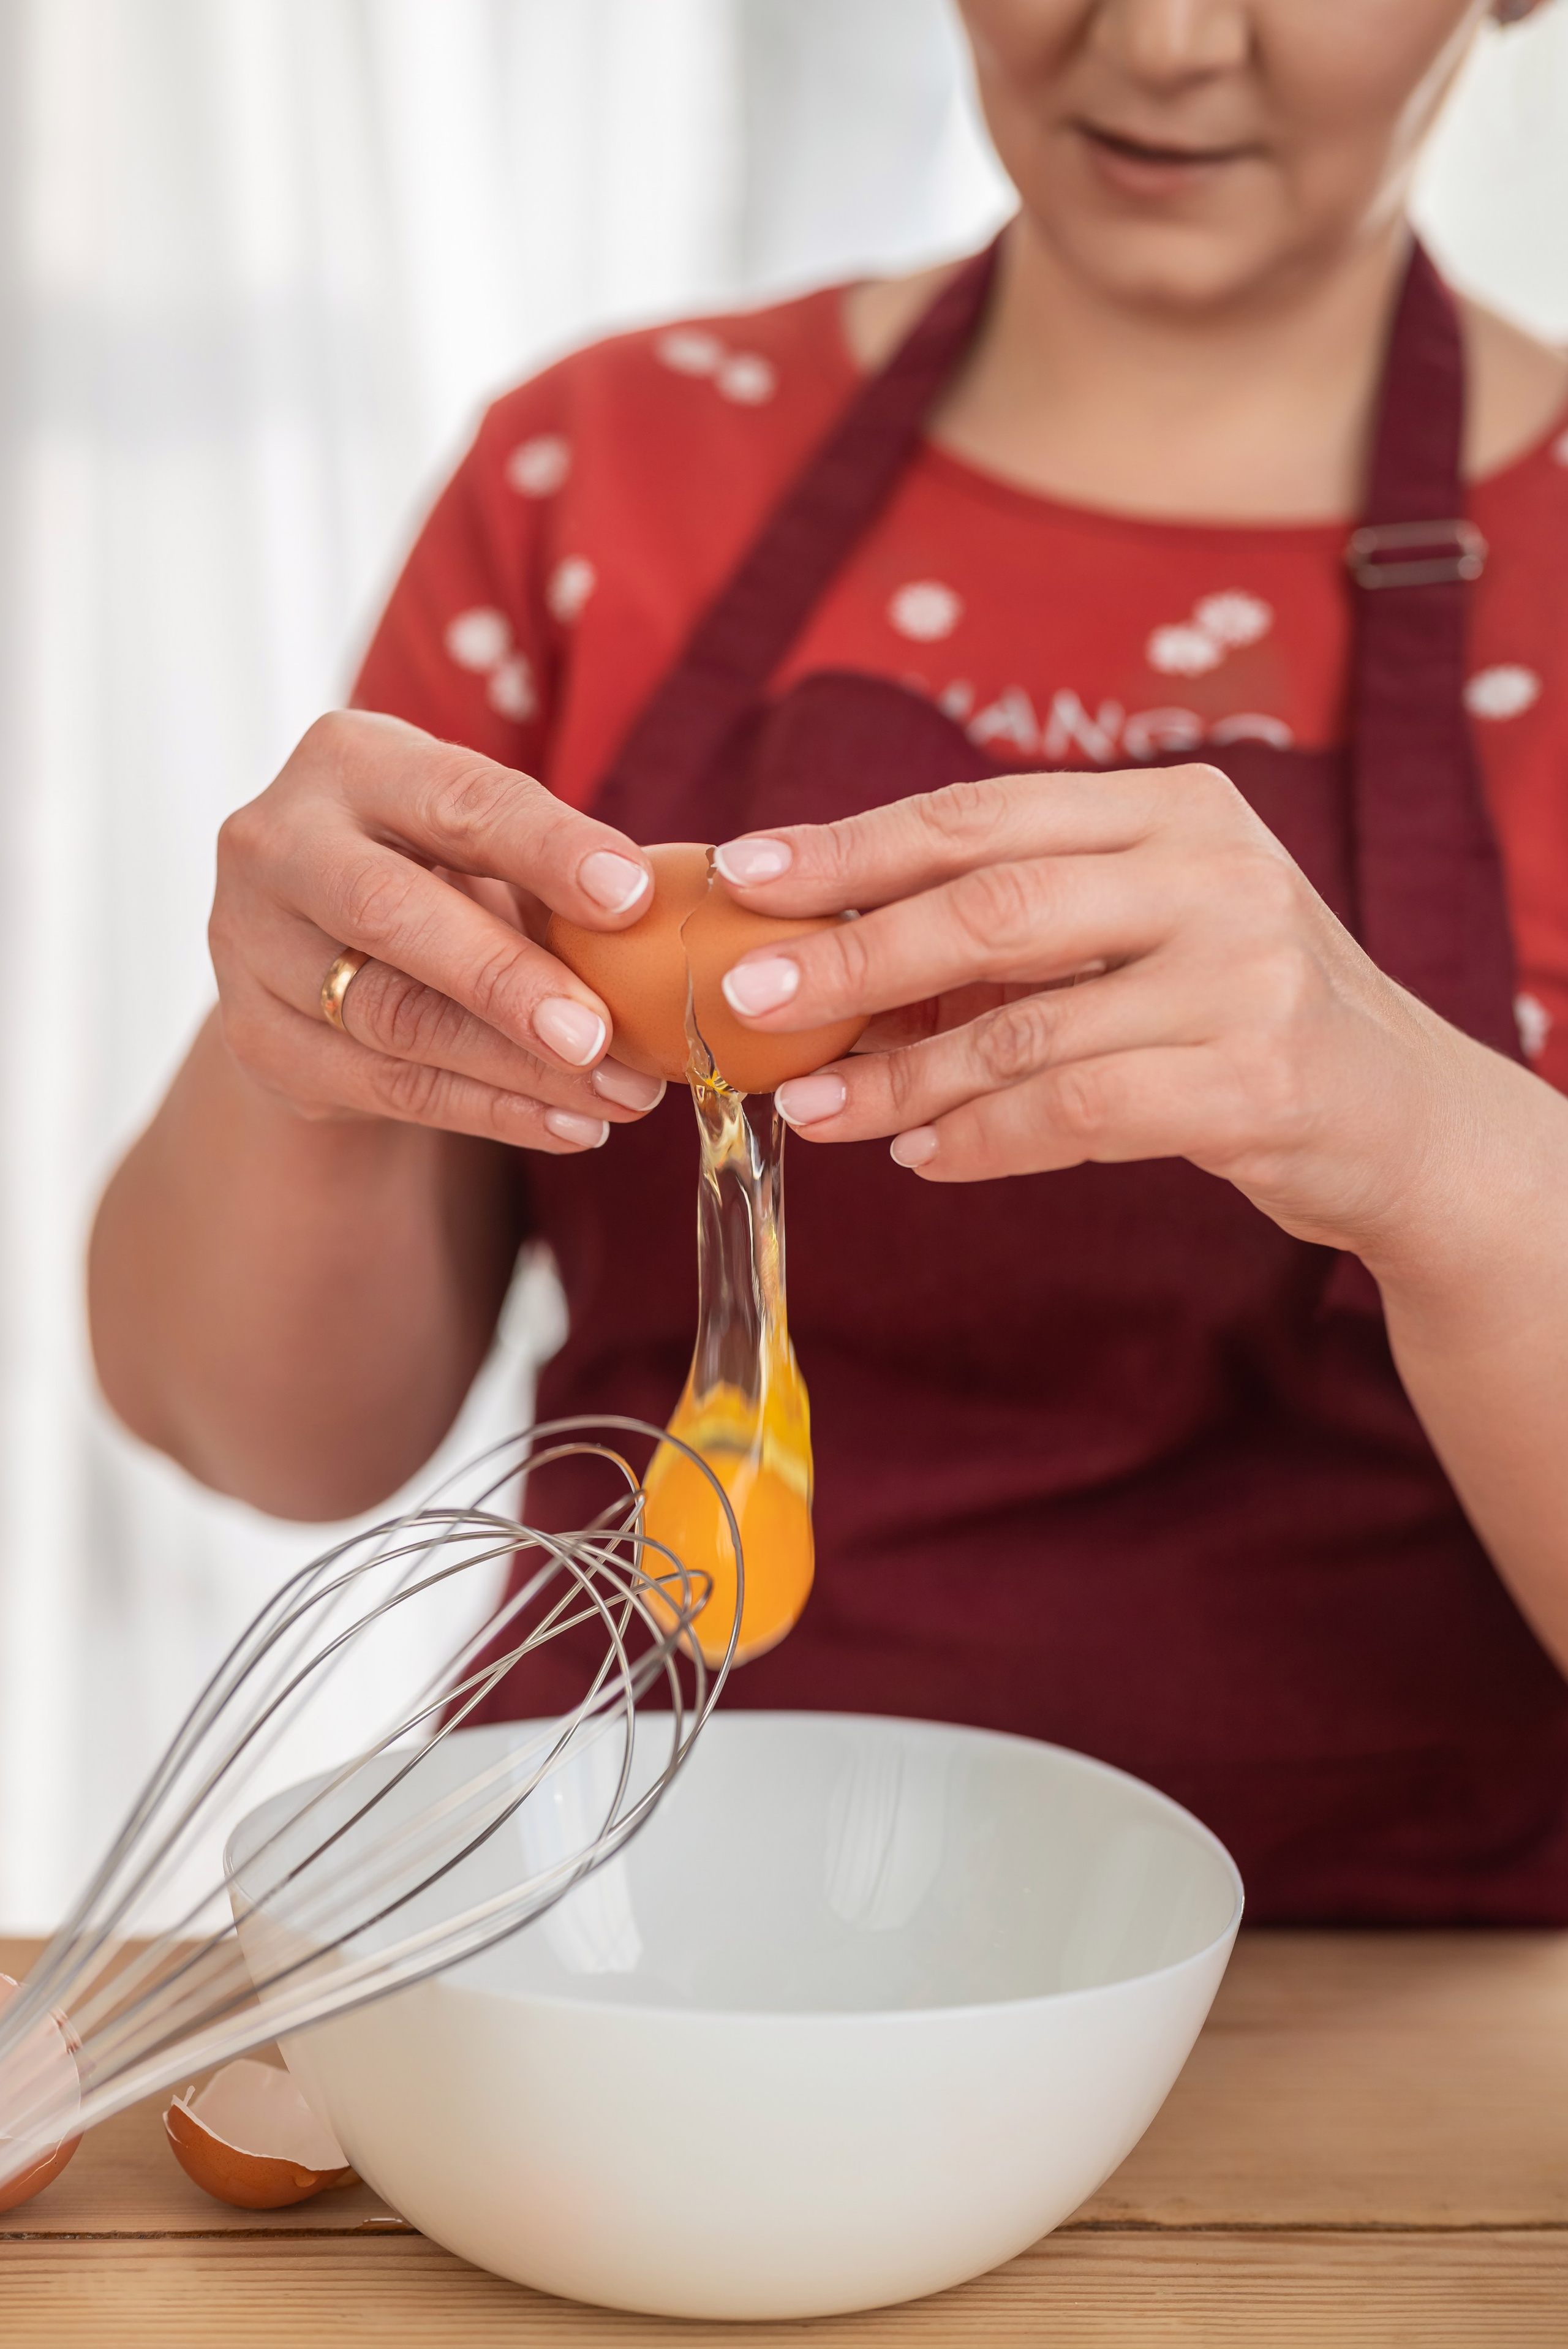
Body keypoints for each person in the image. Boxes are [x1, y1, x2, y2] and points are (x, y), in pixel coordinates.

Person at [89, 0, 1568, 1921]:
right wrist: (305, 1034)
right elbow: (256, 1428)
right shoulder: (596, 480)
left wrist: (1430, 1146)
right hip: (609, 1940)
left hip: (1387, 2026)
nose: (1178, 40)